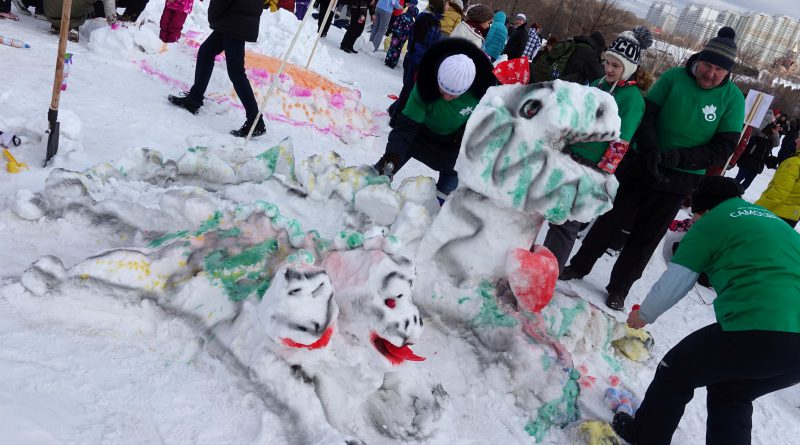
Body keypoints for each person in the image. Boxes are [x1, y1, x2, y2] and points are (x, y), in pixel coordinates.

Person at [560, 27, 746, 311]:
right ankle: (580, 265)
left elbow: (722, 149)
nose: (711, 73)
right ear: (699, 60)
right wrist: (652, 150)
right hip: (642, 163)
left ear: (727, 72)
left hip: (680, 178)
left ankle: (620, 288)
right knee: (609, 219)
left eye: (719, 70)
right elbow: (648, 116)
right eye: (708, 65)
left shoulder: (733, 99)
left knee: (646, 237)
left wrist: (679, 159)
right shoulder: (673, 77)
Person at [612, 176, 800, 445]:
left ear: (705, 210)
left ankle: (645, 436)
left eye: (696, 214)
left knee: (675, 371)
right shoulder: (770, 221)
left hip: (762, 327)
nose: (695, 220)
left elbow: (676, 280)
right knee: (732, 392)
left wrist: (642, 315)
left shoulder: (713, 222)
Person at [542, 27, 653, 273]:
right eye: (608, 62)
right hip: (570, 155)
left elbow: (621, 142)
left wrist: (602, 174)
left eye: (616, 65)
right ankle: (539, 263)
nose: (609, 69)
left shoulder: (631, 98)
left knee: (568, 223)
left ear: (630, 67)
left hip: (591, 168)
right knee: (554, 214)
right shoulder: (598, 83)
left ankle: (549, 273)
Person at [374, 38, 495, 203]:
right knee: (380, 172)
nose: (446, 97)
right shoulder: (425, 86)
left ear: (468, 88)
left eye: (453, 94)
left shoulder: (482, 95)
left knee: (447, 200)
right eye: (443, 89)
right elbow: (406, 128)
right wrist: (392, 157)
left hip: (453, 146)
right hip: (419, 134)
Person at [167, 0, 266, 137]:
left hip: (234, 21)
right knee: (206, 52)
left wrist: (214, 14)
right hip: (235, 19)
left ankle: (256, 122)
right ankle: (193, 100)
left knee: (236, 72)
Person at [387, 0, 444, 126]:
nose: (447, 7)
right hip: (416, 61)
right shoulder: (425, 20)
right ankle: (395, 118)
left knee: (411, 90)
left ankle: (394, 110)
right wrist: (421, 63)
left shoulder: (435, 21)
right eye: (446, 4)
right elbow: (418, 44)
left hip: (424, 61)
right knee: (408, 90)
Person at [755, 134, 800, 227]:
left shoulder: (794, 163)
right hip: (792, 217)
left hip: (777, 213)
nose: (796, 140)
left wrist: (756, 208)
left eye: (799, 138)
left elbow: (779, 193)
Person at [734, 121, 780, 190]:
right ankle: (730, 191)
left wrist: (775, 133)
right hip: (749, 160)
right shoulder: (758, 132)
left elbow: (776, 144)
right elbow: (754, 132)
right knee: (739, 178)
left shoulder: (771, 138)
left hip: (758, 164)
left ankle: (737, 194)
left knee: (747, 182)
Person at [44, 0, 117, 42]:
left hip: (50, 11)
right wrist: (113, 21)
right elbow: (109, 2)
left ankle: (56, 25)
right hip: (71, 9)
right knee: (91, 6)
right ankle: (74, 27)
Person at [384, 0, 418, 67]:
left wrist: (393, 30)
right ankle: (393, 63)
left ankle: (388, 60)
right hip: (403, 37)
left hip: (396, 34)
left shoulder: (402, 16)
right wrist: (408, 36)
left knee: (392, 47)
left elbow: (395, 24)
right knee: (398, 49)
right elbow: (410, 31)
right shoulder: (412, 22)